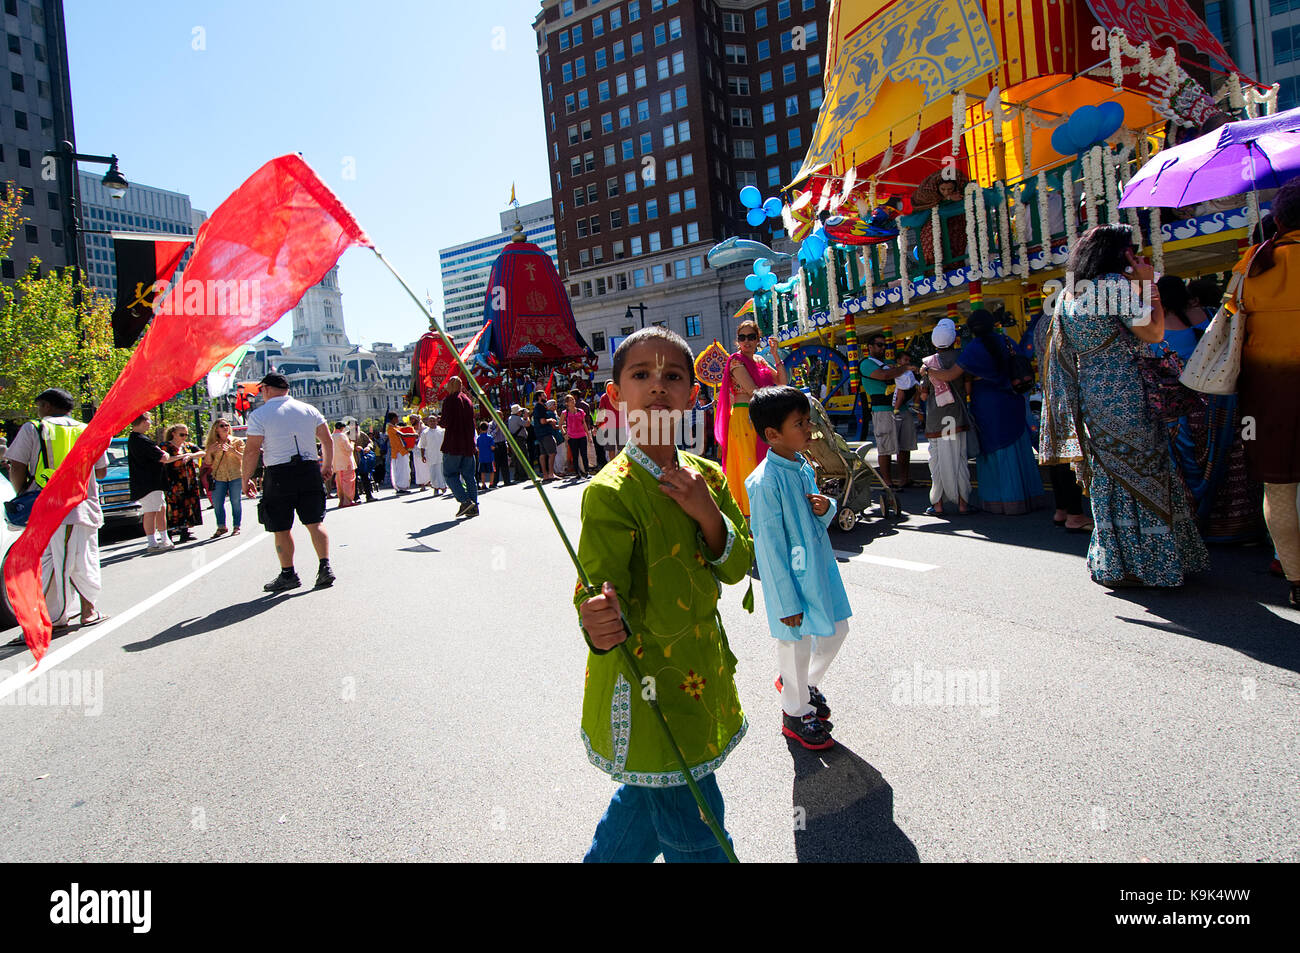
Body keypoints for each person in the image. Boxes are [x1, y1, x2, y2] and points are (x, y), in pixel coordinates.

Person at [575, 326, 753, 862]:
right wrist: (597, 618)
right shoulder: (609, 492)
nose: (658, 386)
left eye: (673, 376)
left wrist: (706, 512)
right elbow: (598, 586)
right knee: (696, 828)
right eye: (641, 375)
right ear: (615, 396)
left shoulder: (710, 476)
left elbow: (738, 566)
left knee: (648, 798)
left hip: (700, 668)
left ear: (692, 396)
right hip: (649, 687)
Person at [1040, 224, 1209, 587]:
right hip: (1126, 391)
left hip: (1092, 392)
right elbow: (1154, 333)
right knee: (1145, 465)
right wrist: (1149, 285)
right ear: (1121, 254)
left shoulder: (1071, 294)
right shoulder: (1113, 286)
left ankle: (1116, 562)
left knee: (1109, 473)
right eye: (1133, 250)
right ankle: (1154, 564)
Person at [745, 386, 851, 751]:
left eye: (807, 421)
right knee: (796, 644)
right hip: (789, 581)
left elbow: (810, 521)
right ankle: (794, 711)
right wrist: (785, 601)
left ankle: (800, 684)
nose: (809, 429)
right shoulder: (765, 482)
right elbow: (770, 549)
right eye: (800, 423)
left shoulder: (802, 466)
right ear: (773, 434)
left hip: (819, 570)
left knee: (838, 630)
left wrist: (827, 509)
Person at [1154, 276, 1264, 544]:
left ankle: (1198, 524)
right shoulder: (1209, 315)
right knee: (1229, 461)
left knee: (1190, 465)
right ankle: (1239, 526)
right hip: (1223, 403)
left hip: (1184, 409)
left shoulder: (1156, 329)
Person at [1232, 179, 1300, 607]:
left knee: (1278, 489)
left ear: (1278, 219)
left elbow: (1230, 329)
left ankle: (1297, 579)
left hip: (1267, 394)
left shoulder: (1251, 264)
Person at [5, 388, 109, 628]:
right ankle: (86, 610)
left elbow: (17, 466)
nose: (38, 410)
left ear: (47, 406)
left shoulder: (35, 428)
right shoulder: (87, 430)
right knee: (83, 558)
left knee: (53, 562)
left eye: (40, 405)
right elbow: (101, 470)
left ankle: (54, 618)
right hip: (84, 505)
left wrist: (21, 493)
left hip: (48, 507)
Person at [929, 310, 1047, 515]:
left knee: (994, 453)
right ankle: (1028, 497)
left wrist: (928, 371)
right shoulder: (1006, 340)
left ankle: (1002, 502)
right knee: (1018, 449)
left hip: (987, 405)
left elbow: (949, 375)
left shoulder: (974, 348)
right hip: (1012, 400)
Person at [242, 373, 336, 592]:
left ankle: (288, 573)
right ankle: (325, 566)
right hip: (309, 469)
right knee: (315, 522)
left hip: (279, 474)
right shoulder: (308, 409)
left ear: (265, 389)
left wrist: (246, 478)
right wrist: (327, 466)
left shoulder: (259, 415)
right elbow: (327, 439)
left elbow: (252, 450)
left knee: (281, 527)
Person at [715, 319, 788, 516]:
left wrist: (775, 355)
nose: (746, 341)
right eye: (742, 337)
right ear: (737, 341)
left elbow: (782, 381)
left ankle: (767, 507)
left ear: (758, 340)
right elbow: (752, 390)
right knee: (749, 463)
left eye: (751, 337)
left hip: (761, 413)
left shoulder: (760, 361)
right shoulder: (736, 361)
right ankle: (751, 511)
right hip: (744, 416)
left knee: (765, 461)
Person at [918, 320, 974, 515]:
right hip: (955, 417)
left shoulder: (927, 363)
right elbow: (968, 389)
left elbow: (924, 395)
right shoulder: (961, 358)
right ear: (954, 339)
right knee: (958, 458)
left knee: (937, 461)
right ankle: (962, 503)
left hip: (935, 420)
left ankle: (938, 504)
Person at [127, 411, 194, 553]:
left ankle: (164, 539)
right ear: (144, 421)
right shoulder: (140, 439)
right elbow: (163, 457)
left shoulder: (136, 439)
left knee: (160, 509)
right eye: (149, 421)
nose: (150, 424)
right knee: (151, 511)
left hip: (151, 482)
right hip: (149, 483)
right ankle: (152, 542)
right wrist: (167, 454)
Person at [858, 332, 915, 490]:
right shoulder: (866, 364)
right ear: (870, 347)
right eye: (879, 345)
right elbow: (884, 375)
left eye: (884, 345)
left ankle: (904, 479)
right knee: (886, 447)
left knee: (905, 446)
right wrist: (904, 369)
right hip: (882, 409)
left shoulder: (889, 363)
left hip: (901, 407)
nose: (883, 348)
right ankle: (887, 482)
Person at [441, 376, 479, 518]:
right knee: (469, 476)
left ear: (451, 386)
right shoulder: (468, 400)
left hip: (453, 444)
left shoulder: (450, 400)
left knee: (450, 474)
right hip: (468, 444)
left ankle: (465, 501)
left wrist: (440, 419)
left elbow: (445, 422)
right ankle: (474, 506)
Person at [204, 418, 246, 536]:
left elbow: (244, 457)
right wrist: (209, 452)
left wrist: (233, 451)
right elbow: (208, 462)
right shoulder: (213, 444)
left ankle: (236, 526)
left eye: (227, 425)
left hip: (235, 475)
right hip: (219, 476)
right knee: (217, 503)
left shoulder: (236, 441)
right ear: (216, 429)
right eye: (222, 426)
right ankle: (221, 526)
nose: (225, 427)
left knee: (235, 501)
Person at [162, 424, 203, 543]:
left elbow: (202, 452)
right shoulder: (166, 446)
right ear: (173, 433)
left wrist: (191, 455)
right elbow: (165, 459)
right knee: (173, 506)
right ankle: (169, 533)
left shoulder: (188, 446)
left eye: (186, 434)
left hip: (188, 480)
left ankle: (185, 531)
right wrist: (181, 457)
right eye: (182, 434)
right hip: (173, 481)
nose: (184, 437)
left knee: (187, 504)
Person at [385, 411, 416, 495]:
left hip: (403, 451)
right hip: (398, 452)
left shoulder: (395, 427)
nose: (398, 419)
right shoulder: (391, 429)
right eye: (396, 418)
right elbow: (403, 435)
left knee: (405, 469)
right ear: (393, 419)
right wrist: (414, 434)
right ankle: (400, 487)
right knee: (400, 470)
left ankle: (404, 487)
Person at [563, 392, 591, 479]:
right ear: (567, 403)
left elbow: (584, 424)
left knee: (584, 454)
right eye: (571, 400)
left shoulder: (580, 411)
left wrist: (588, 435)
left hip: (582, 435)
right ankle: (577, 473)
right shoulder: (565, 413)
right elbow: (560, 425)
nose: (573, 401)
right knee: (575, 455)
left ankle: (587, 472)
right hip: (572, 437)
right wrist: (564, 434)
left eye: (573, 400)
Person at [418, 414, 446, 494]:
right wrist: (422, 456)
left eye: (434, 420)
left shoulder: (442, 431)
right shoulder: (425, 433)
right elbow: (422, 445)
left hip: (441, 455)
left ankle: (443, 486)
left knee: (442, 471)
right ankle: (435, 487)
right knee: (433, 472)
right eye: (430, 421)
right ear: (427, 422)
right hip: (431, 456)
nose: (432, 422)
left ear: (437, 421)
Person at [330, 422, 356, 508]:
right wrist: (352, 443)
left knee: (339, 483)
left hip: (336, 463)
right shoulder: (342, 436)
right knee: (348, 482)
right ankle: (347, 501)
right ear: (342, 428)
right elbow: (349, 449)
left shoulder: (331, 436)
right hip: (346, 462)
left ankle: (341, 501)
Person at [533, 393, 558, 481]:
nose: (546, 397)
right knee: (552, 453)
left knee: (543, 454)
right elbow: (543, 421)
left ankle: (545, 475)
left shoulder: (537, 407)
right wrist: (551, 420)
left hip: (539, 434)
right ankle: (551, 474)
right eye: (544, 395)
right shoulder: (540, 407)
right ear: (539, 397)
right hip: (545, 433)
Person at [353, 429, 378, 503]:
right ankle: (356, 497)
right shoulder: (346, 435)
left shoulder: (361, 434)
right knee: (354, 481)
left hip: (362, 460)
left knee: (366, 478)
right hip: (352, 461)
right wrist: (353, 447)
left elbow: (370, 442)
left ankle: (369, 496)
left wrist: (368, 447)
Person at [506, 404, 529, 482]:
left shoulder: (510, 418)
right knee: (523, 456)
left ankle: (517, 475)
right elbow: (527, 424)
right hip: (519, 440)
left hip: (513, 440)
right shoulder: (517, 418)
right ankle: (523, 475)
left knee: (515, 458)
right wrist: (527, 417)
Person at [410, 415, 431, 489]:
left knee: (426, 466)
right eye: (410, 419)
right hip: (416, 451)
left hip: (425, 450)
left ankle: (429, 481)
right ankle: (422, 484)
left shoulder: (425, 428)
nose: (411, 421)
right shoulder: (411, 429)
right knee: (418, 467)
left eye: (412, 419)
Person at [490, 416, 511, 487]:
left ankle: (507, 481)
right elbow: (490, 435)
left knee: (505, 464)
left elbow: (505, 434)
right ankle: (495, 482)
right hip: (495, 445)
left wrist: (506, 444)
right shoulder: (491, 424)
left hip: (502, 444)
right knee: (496, 464)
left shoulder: (503, 424)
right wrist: (496, 429)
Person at [476, 421, 496, 490]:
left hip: (482, 457)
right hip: (490, 457)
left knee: (482, 472)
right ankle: (491, 483)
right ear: (487, 429)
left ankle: (483, 484)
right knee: (492, 471)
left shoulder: (478, 438)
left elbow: (477, 448)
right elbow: (492, 447)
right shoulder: (490, 437)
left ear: (480, 429)